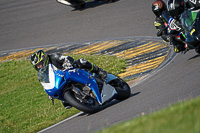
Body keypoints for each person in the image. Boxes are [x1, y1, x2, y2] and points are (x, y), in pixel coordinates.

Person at [30, 50, 107, 109]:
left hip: (70, 70)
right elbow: (47, 81)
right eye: (37, 66)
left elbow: (67, 58)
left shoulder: (54, 57)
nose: (39, 67)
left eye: (39, 64)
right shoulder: (43, 72)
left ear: (44, 59)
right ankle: (80, 97)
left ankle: (99, 70)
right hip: (61, 81)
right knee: (65, 103)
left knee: (81, 62)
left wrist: (66, 63)